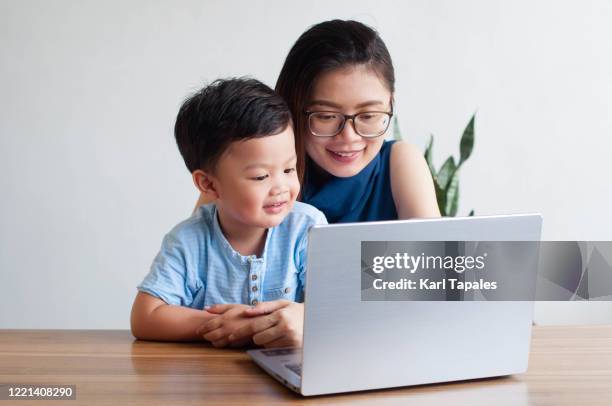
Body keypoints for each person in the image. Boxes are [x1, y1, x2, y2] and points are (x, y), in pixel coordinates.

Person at [202, 20, 441, 347]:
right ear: (293, 108)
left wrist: (319, 317)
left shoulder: (401, 162)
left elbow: (436, 284)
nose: (350, 138)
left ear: (391, 103)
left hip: (376, 351)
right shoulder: (252, 171)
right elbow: (201, 266)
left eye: (370, 115)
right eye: (327, 117)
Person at [130, 78, 326, 347]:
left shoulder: (307, 227)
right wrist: (223, 326)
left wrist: (298, 318)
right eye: (260, 176)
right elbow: (145, 316)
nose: (281, 187)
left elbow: (338, 308)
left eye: (289, 169)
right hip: (210, 380)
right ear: (209, 184)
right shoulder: (189, 241)